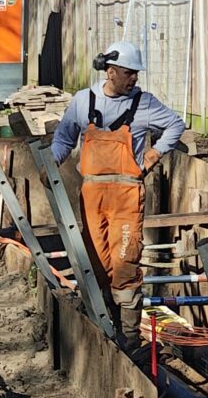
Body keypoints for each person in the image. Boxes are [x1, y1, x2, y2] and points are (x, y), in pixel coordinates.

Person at [50, 40, 185, 333]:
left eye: (136, 73)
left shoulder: (144, 103)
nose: (134, 78)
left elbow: (176, 124)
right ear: (110, 71)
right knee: (97, 263)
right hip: (92, 195)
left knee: (125, 263)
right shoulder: (83, 101)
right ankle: (105, 325)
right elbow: (63, 138)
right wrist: (50, 163)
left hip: (126, 196)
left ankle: (130, 336)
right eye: (128, 72)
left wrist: (154, 153)